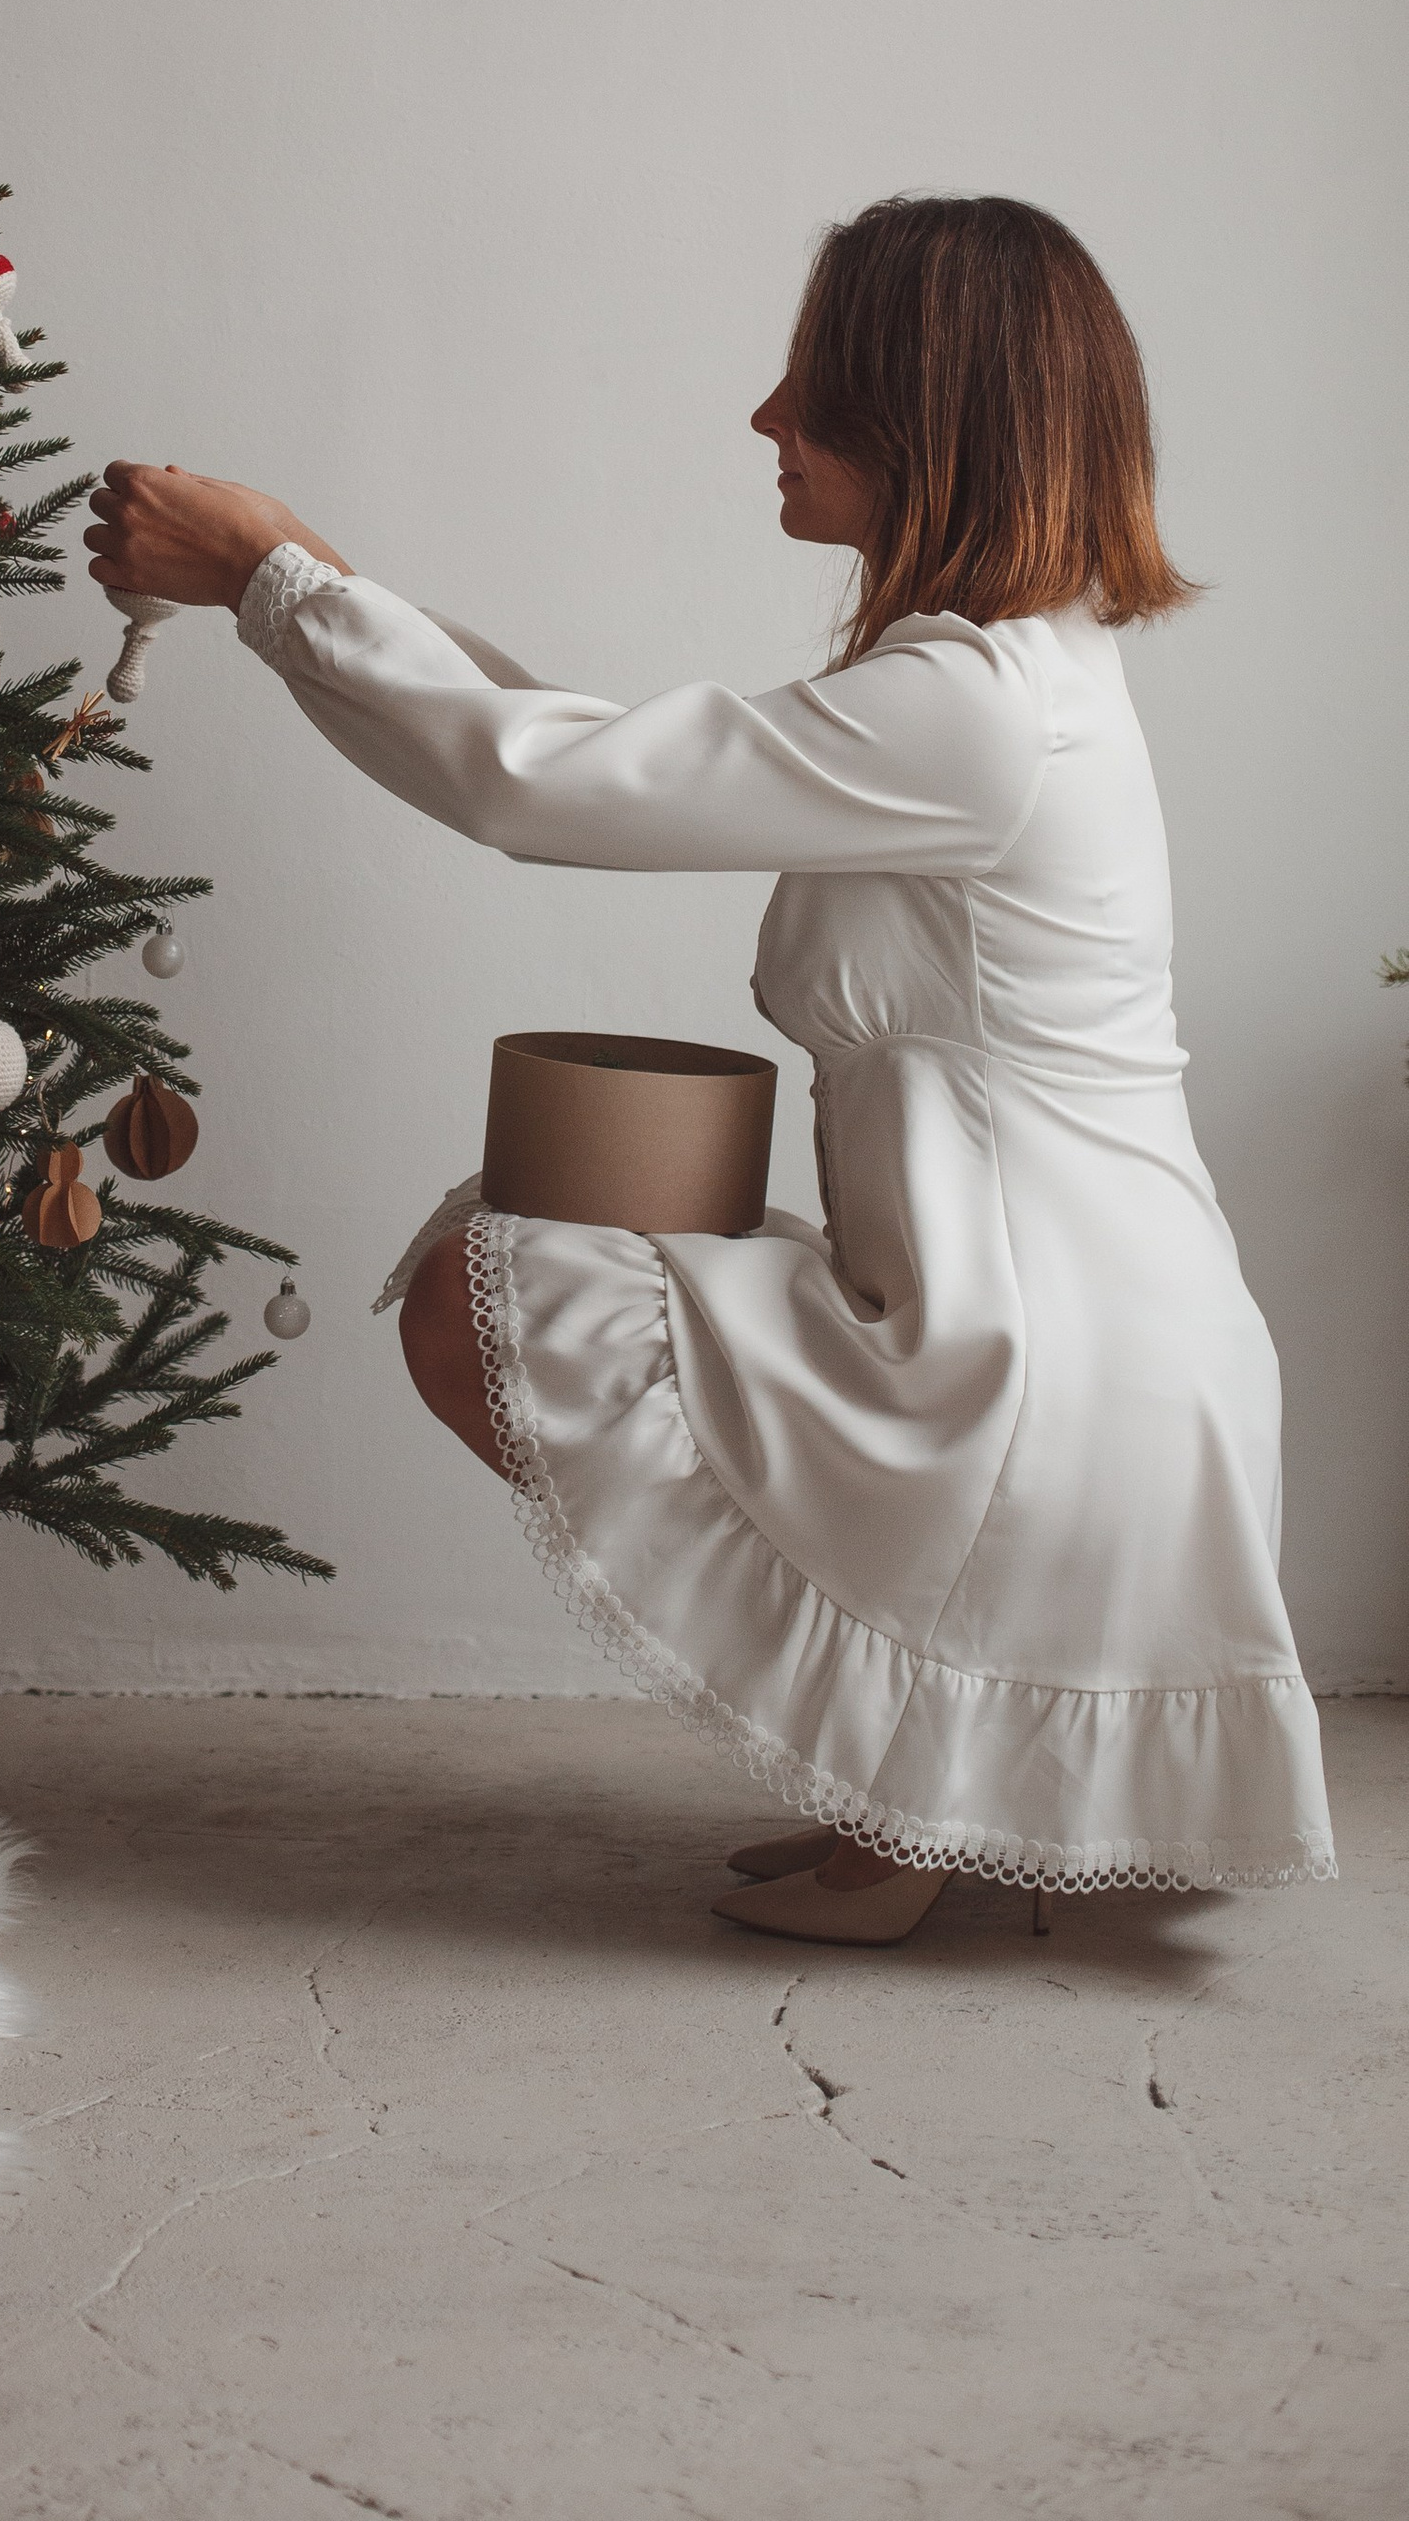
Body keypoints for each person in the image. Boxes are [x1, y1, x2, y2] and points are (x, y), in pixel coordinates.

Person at [86, 195, 1332, 1943]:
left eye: (811, 385)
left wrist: (272, 579)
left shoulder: (976, 711)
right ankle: (910, 1790)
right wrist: (297, 575)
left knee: (477, 1291)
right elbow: (591, 744)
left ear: (928, 419)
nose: (766, 419)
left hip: (1036, 1366)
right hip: (1060, 1333)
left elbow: (540, 785)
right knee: (506, 1273)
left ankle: (915, 1796)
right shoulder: (995, 681)